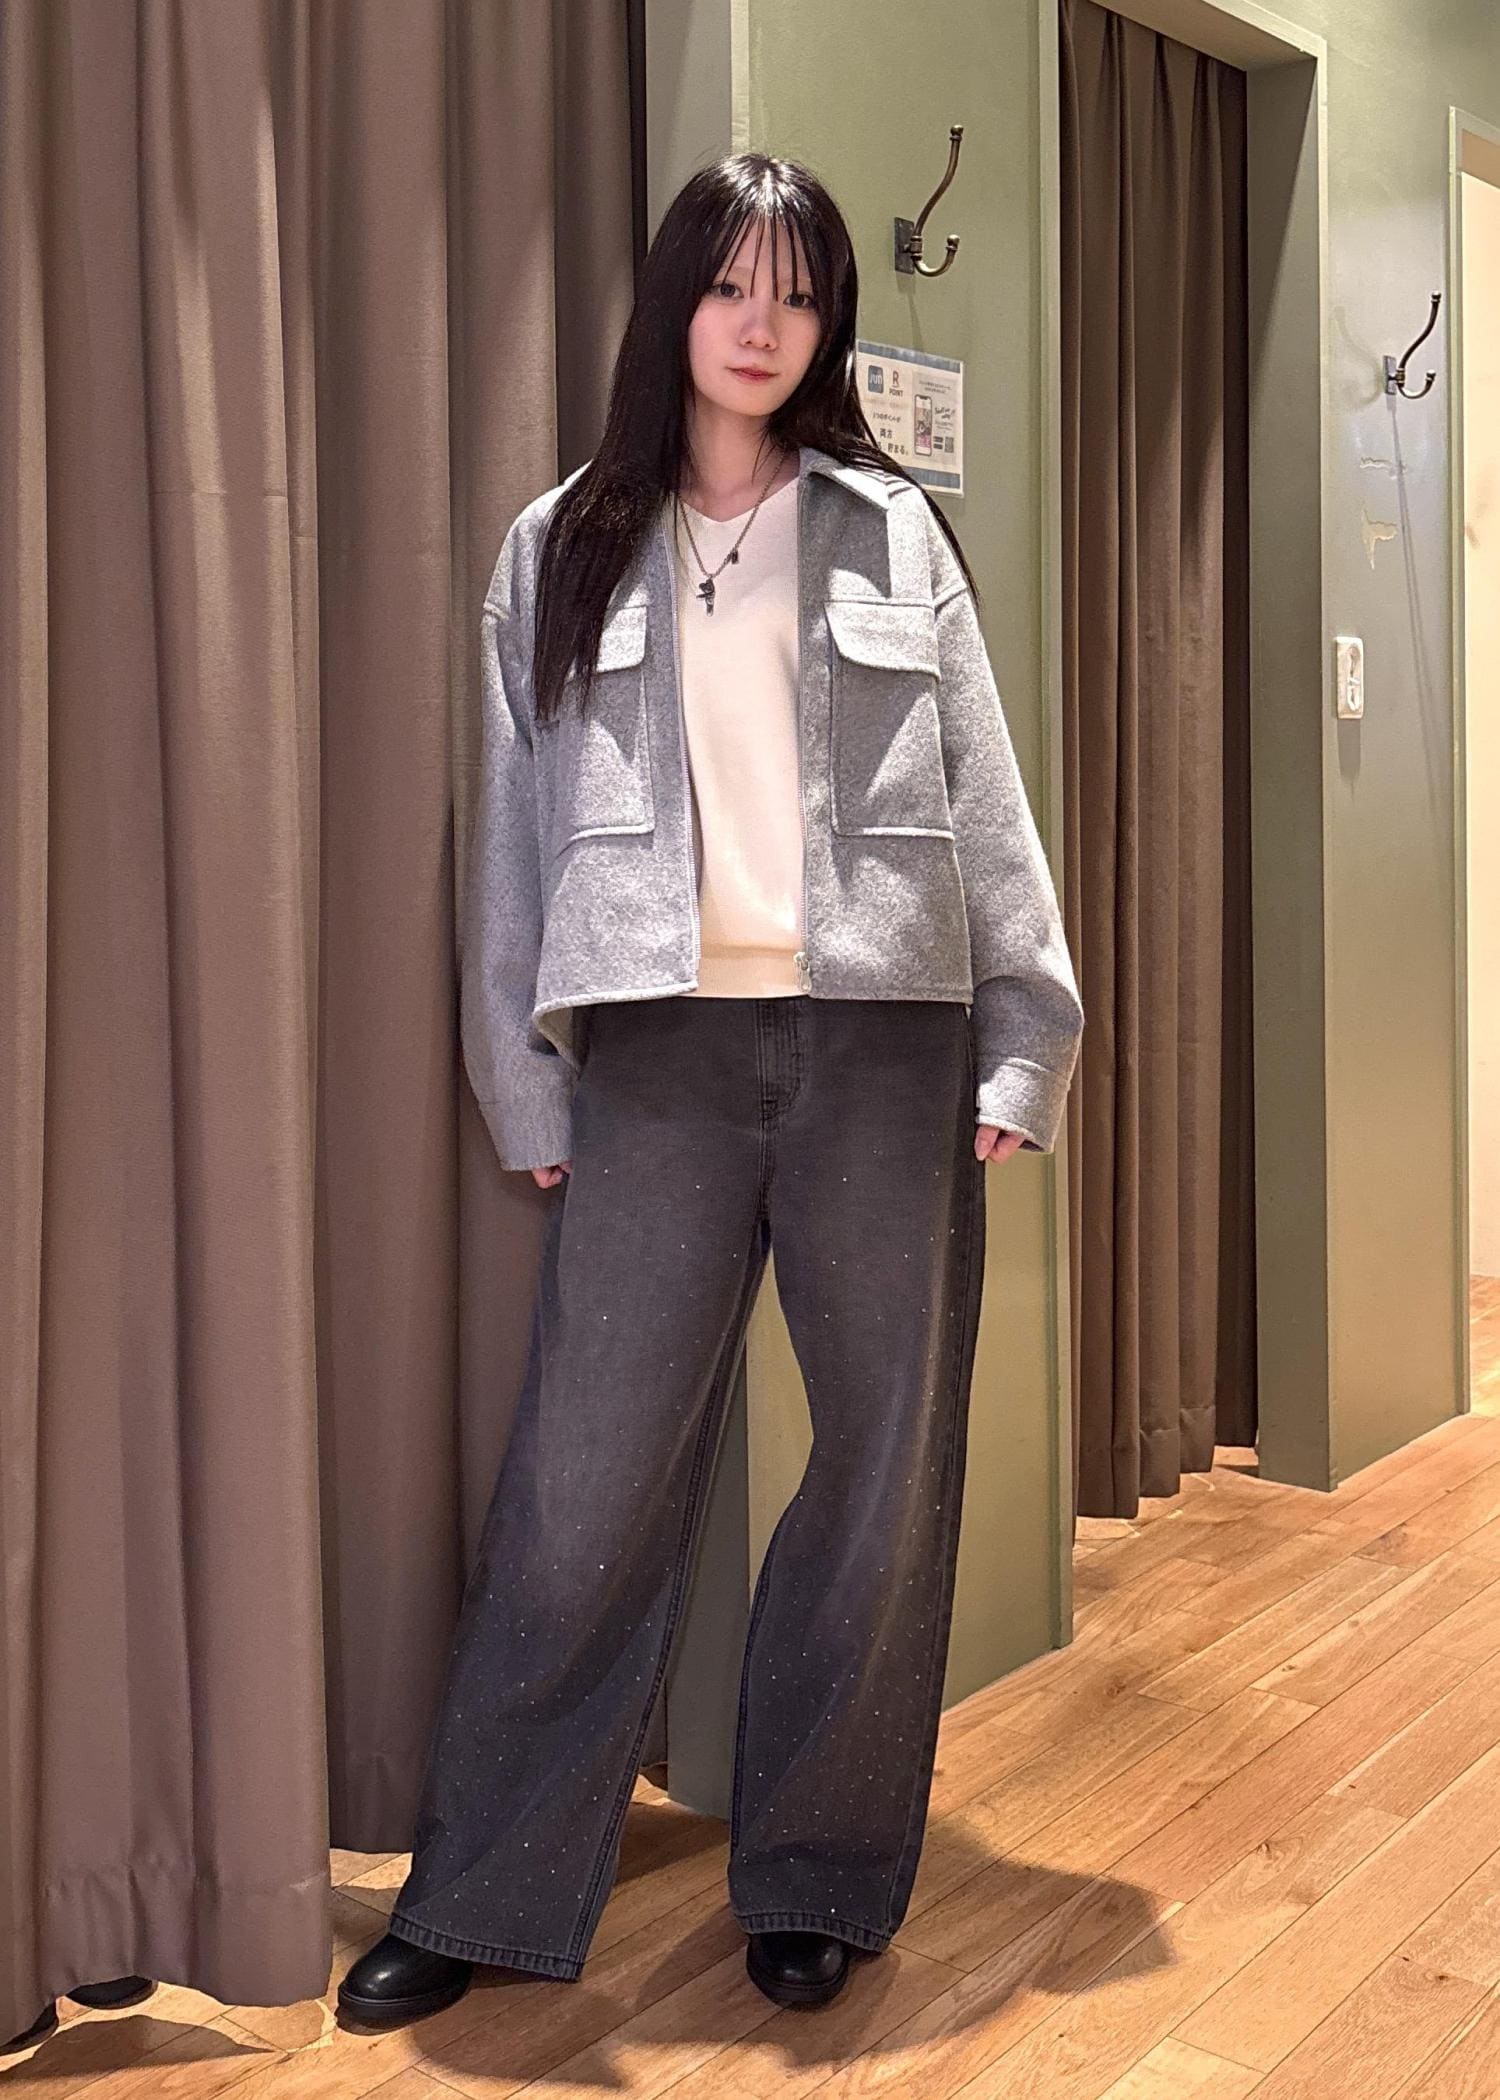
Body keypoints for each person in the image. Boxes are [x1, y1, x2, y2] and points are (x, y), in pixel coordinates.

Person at [339, 151, 1083, 2029]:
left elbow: (984, 799)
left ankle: (818, 1871)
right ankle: (486, 1887)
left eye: (800, 294)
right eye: (733, 284)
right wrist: (525, 1090)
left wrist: (1027, 1035)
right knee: (580, 1482)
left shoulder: (891, 531)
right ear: (675, 299)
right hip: (657, 1059)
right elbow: (512, 841)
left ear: (827, 326)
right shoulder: (562, 543)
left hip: (888, 1047)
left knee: (882, 1471)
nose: (764, 324)